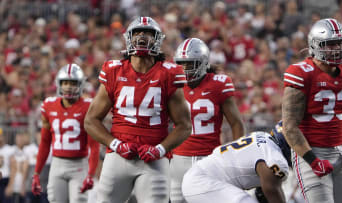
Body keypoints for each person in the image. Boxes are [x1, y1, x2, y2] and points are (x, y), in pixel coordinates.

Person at [84, 16, 191, 203]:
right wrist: (116, 144)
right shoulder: (114, 70)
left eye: (149, 33)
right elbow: (90, 120)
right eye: (137, 33)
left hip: (154, 160)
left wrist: (159, 149)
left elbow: (184, 125)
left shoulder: (169, 73)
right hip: (118, 157)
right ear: (128, 38)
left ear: (158, 40)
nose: (142, 37)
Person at [282, 18, 342, 203]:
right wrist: (312, 160)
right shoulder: (301, 72)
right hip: (310, 152)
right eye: (330, 44)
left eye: (340, 43)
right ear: (315, 46)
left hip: (339, 151)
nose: (336, 49)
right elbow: (289, 127)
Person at [170, 38, 245, 203]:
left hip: (208, 158)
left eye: (189, 64)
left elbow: (236, 123)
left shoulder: (219, 83)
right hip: (177, 158)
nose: (184, 69)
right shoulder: (173, 84)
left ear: (202, 63)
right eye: (181, 64)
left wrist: (237, 155)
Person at [31, 64, 100, 203]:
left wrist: (91, 174)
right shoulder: (48, 105)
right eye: (65, 82)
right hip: (57, 163)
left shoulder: (88, 107)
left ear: (80, 85)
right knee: (55, 200)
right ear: (59, 84)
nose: (68, 86)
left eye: (73, 83)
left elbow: (94, 146)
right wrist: (36, 173)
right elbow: (45, 143)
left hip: (79, 165)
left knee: (78, 201)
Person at [181, 121, 290, 203]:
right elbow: (271, 189)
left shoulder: (262, 135)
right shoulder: (275, 157)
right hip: (204, 182)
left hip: (199, 176)